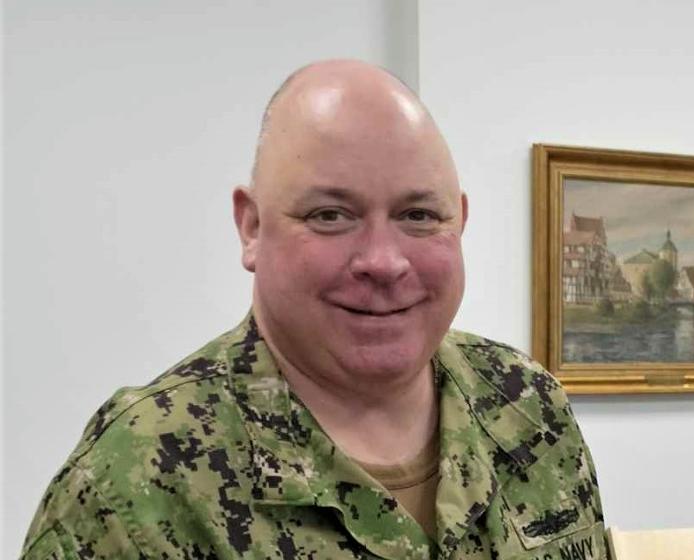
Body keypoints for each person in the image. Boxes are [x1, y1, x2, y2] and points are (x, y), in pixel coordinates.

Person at [22, 60, 608, 559]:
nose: (383, 261)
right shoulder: (140, 478)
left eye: (418, 216)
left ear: (460, 221)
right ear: (252, 227)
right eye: (330, 215)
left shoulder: (528, 406)